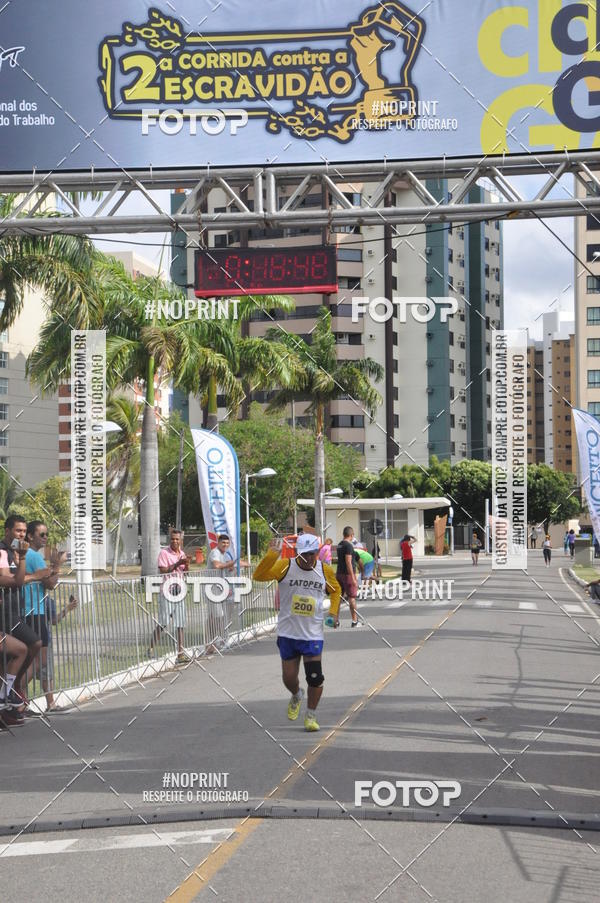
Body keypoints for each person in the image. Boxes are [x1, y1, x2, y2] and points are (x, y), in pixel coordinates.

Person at [253, 533, 341, 732]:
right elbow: (258, 576)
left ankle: (310, 715)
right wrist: (270, 556)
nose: (309, 559)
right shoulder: (285, 566)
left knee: (315, 677)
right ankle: (296, 694)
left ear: (318, 552)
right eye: (305, 555)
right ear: (297, 553)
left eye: (313, 554)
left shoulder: (323, 570)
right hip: (288, 633)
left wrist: (334, 613)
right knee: (289, 678)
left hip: (312, 634)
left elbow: (335, 590)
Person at [0, 514, 42, 718]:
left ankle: (10, 695)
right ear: (7, 530)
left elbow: (20, 577)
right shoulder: (2, 550)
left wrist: (21, 560)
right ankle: (10, 690)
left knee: (17, 653)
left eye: (24, 531)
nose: (22, 535)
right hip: (7, 614)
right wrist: (29, 571)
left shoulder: (14, 551)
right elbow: (15, 581)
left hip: (16, 610)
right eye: (18, 531)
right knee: (30, 645)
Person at [22, 521, 64, 710]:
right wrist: (58, 565)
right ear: (30, 536)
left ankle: (18, 698)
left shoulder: (27, 556)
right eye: (41, 534)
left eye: (46, 534)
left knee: (30, 659)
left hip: (30, 612)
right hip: (35, 612)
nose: (45, 537)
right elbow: (51, 584)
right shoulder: (34, 556)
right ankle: (15, 694)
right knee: (39, 660)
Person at [148, 529, 191, 664]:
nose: (175, 541)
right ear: (169, 540)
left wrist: (187, 565)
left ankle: (180, 653)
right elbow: (163, 570)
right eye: (172, 539)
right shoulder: (164, 553)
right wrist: (178, 563)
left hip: (179, 592)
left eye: (177, 539)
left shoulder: (182, 553)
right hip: (167, 592)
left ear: (181, 541)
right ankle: (150, 649)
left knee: (180, 624)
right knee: (164, 623)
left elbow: (185, 572)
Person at [336, 526, 360, 626]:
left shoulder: (339, 545)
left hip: (339, 573)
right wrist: (353, 578)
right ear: (351, 535)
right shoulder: (348, 546)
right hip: (347, 575)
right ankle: (354, 621)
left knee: (338, 597)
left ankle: (335, 620)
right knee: (351, 597)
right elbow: (348, 562)